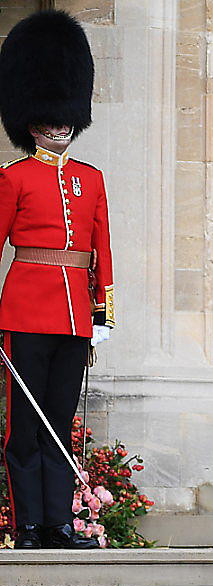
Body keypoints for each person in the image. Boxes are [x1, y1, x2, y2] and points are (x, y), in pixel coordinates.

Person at [0, 11, 112, 549]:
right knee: (25, 427)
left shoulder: (91, 180)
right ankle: (28, 525)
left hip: (74, 317)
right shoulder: (13, 178)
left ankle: (60, 523)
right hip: (25, 310)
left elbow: (99, 253)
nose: (61, 125)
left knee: (59, 423)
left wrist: (102, 314)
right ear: (32, 120)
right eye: (50, 118)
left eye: (66, 117)